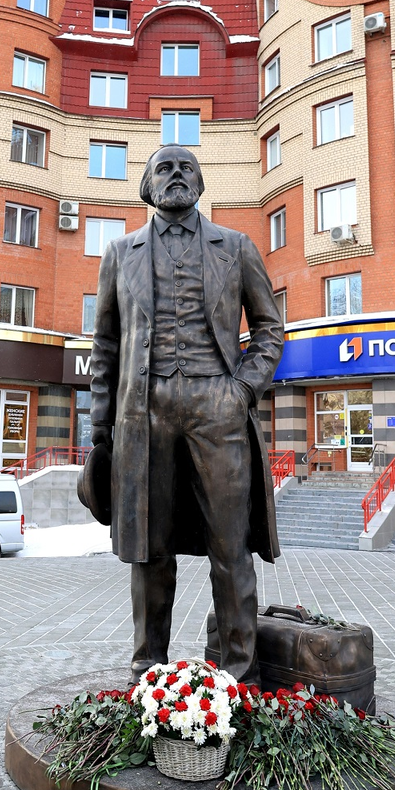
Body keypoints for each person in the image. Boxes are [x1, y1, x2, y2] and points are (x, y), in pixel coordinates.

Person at [89, 145, 284, 684]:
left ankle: (238, 674)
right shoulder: (118, 253)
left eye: (187, 167)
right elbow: (105, 347)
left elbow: (270, 331)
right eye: (164, 168)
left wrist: (241, 390)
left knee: (231, 541)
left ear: (201, 183)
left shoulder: (236, 247)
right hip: (142, 412)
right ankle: (147, 666)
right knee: (148, 549)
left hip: (215, 407)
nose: (177, 175)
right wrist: (100, 427)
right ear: (147, 188)